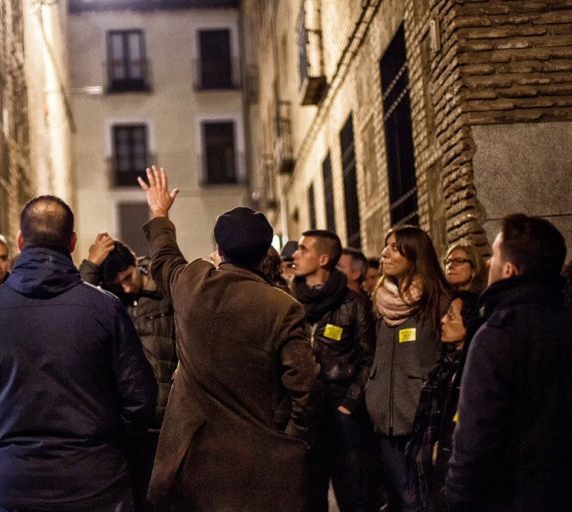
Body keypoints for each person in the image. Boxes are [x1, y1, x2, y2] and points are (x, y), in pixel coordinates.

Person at [0, 195, 157, 512]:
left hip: (11, 483)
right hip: (94, 481)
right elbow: (139, 397)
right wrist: (109, 447)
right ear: (72, 242)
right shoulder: (105, 309)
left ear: (20, 241)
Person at [138, 166, 318, 511]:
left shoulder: (193, 284)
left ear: (218, 249)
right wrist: (291, 439)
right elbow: (305, 385)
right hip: (258, 461)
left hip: (192, 460)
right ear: (265, 253)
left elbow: (164, 257)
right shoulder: (283, 307)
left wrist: (160, 213)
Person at [446, 214, 572, 512]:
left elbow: (475, 437)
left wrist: (457, 498)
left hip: (511, 496)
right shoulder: (567, 324)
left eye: (493, 256)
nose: (487, 263)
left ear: (509, 270)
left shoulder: (496, 335)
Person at [80, 234, 177, 509]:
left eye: (128, 277)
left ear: (136, 263)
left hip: (166, 417)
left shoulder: (162, 290)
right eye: (117, 284)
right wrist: (90, 265)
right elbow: (77, 305)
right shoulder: (108, 300)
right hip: (126, 421)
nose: (125, 287)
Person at [365, 225, 450, 512]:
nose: (384, 253)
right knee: (400, 499)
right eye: (385, 246)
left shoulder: (437, 301)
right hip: (384, 421)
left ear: (415, 254)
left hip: (421, 421)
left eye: (394, 247)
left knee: (420, 501)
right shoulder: (379, 301)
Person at [290, 231, 375, 512]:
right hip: (305, 412)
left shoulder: (353, 303)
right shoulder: (289, 302)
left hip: (341, 413)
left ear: (323, 259)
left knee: (352, 494)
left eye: (303, 249)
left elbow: (368, 358)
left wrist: (349, 402)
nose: (295, 255)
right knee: (310, 496)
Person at [406, 290, 477, 512]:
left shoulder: (471, 373)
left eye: (451, 316)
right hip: (431, 467)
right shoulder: (444, 367)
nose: (443, 320)